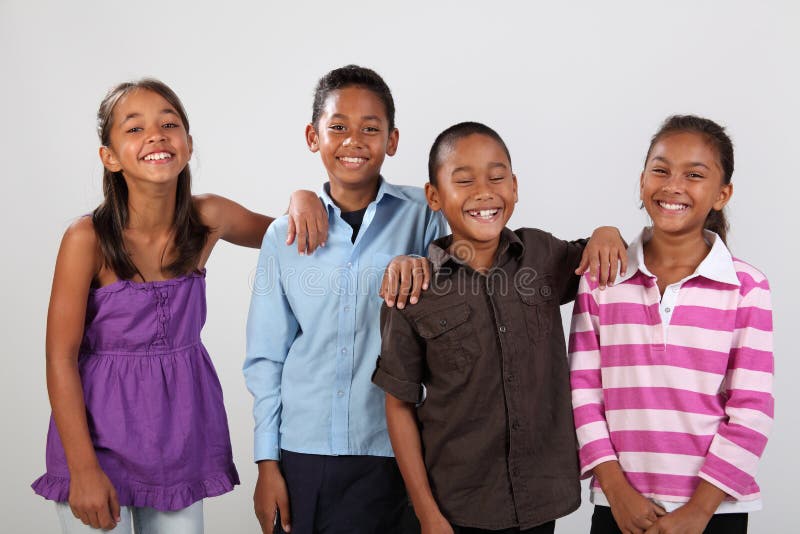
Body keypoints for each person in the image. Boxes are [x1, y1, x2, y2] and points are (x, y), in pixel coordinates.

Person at [31, 78, 328, 533]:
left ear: (187, 144)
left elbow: (292, 237)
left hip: (178, 436)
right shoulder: (85, 238)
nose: (155, 135)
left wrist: (303, 197)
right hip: (95, 439)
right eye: (134, 129)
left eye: (169, 123)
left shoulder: (208, 218)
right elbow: (59, 358)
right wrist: (84, 469)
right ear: (109, 157)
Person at [372, 121, 628, 534]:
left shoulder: (543, 255)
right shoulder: (414, 290)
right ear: (434, 196)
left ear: (514, 186)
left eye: (496, 177)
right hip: (457, 507)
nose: (484, 192)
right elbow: (398, 405)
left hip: (539, 500)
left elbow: (601, 259)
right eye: (464, 180)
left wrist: (607, 230)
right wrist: (426, 513)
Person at [569, 115, 773, 534]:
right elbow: (583, 392)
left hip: (714, 512)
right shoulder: (602, 279)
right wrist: (617, 490)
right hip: (620, 508)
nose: (673, 185)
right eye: (660, 169)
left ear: (722, 193)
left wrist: (699, 510)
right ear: (642, 179)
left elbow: (751, 409)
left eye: (694, 175)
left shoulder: (747, 287)